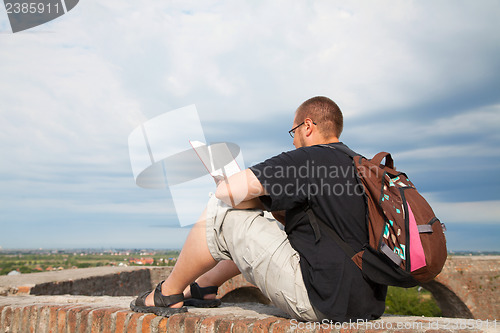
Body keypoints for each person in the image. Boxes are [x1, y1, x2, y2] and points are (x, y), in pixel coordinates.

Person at [130, 96, 387, 322]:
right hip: (367, 304)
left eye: (294, 131)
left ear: (307, 126)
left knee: (220, 209)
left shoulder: (307, 159)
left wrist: (223, 179)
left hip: (323, 301)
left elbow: (227, 193)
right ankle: (204, 287)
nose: (295, 141)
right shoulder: (359, 165)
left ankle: (167, 294)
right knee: (266, 217)